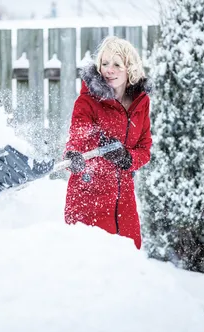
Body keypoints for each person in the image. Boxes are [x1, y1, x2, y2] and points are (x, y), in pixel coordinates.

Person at [63, 36, 152, 249]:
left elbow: (145, 148)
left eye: (116, 64)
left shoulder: (141, 103)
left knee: (128, 263)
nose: (109, 70)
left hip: (124, 201)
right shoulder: (88, 102)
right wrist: (74, 154)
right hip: (89, 199)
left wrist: (127, 158)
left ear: (129, 68)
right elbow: (78, 137)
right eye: (104, 63)